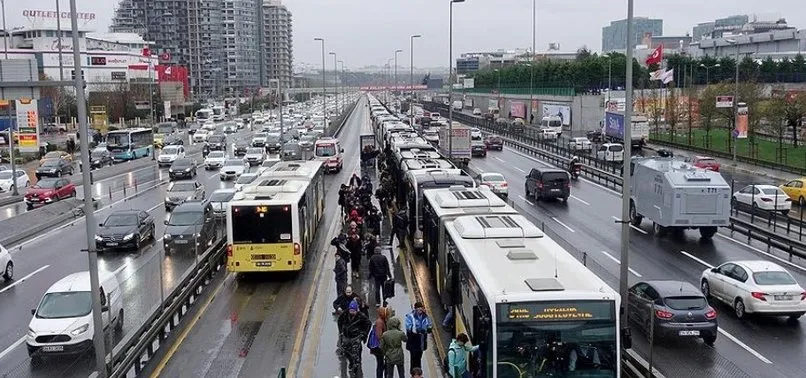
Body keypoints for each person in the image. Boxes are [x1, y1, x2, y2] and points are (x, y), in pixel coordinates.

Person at [337, 300, 373, 378]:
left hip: (355, 338)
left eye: (353, 311)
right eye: (351, 310)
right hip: (346, 337)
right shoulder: (345, 314)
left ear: (357, 310)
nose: (352, 312)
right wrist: (341, 332)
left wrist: (364, 333)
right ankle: (351, 361)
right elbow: (339, 321)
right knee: (345, 352)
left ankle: (356, 371)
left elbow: (368, 323)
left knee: (356, 356)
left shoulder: (361, 316)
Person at [404, 302, 433, 371]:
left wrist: (428, 329)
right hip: (413, 341)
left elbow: (429, 324)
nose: (420, 309)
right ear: (415, 309)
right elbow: (408, 327)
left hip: (421, 341)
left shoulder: (425, 316)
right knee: (414, 358)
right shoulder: (410, 316)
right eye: (419, 308)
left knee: (419, 357)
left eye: (421, 308)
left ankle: (418, 372)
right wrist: (417, 330)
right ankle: (414, 372)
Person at [368, 306, 390, 378]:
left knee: (381, 363)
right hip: (379, 347)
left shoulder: (382, 321)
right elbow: (379, 336)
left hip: (380, 347)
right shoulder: (380, 322)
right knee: (381, 364)